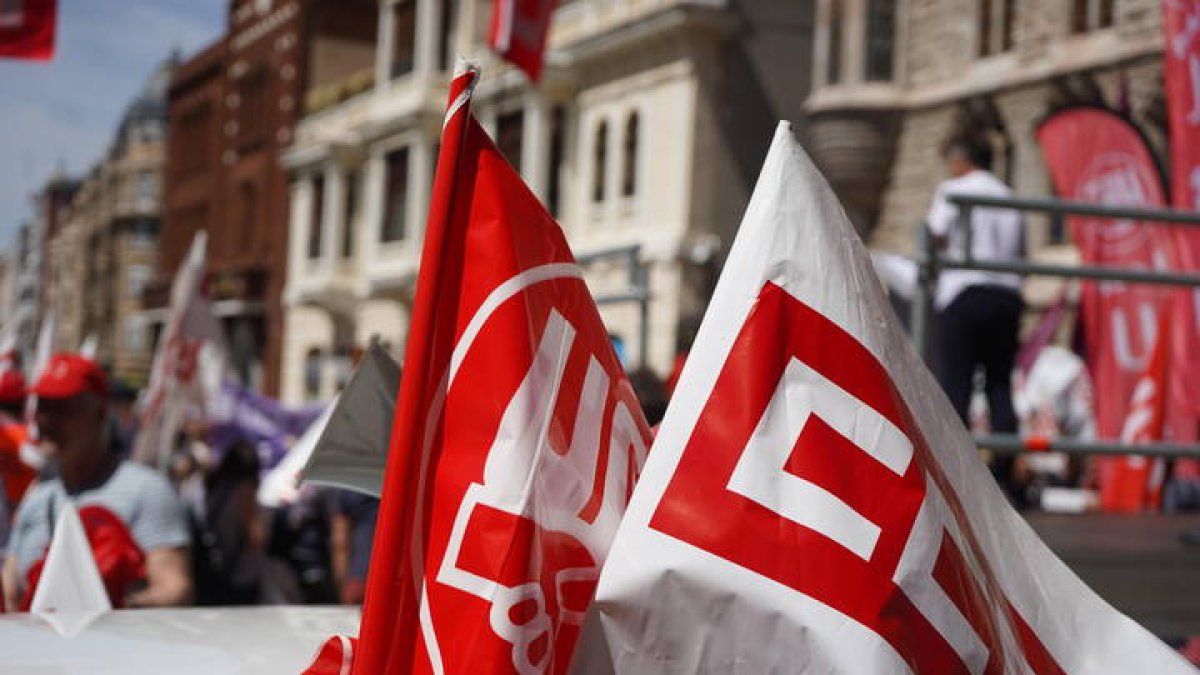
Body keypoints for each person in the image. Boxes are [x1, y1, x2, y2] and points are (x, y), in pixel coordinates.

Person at [1, 353, 193, 610]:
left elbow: (175, 590)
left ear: (100, 414)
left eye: (61, 409)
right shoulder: (37, 496)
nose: (46, 421)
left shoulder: (147, 491)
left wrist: (106, 611)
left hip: (115, 649)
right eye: (42, 407)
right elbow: (11, 590)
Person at [926, 134, 1025, 498]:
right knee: (1000, 385)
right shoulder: (1010, 196)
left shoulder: (954, 189)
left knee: (957, 383)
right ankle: (1004, 475)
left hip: (965, 291)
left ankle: (957, 475)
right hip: (1006, 294)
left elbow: (935, 234)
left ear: (960, 159)